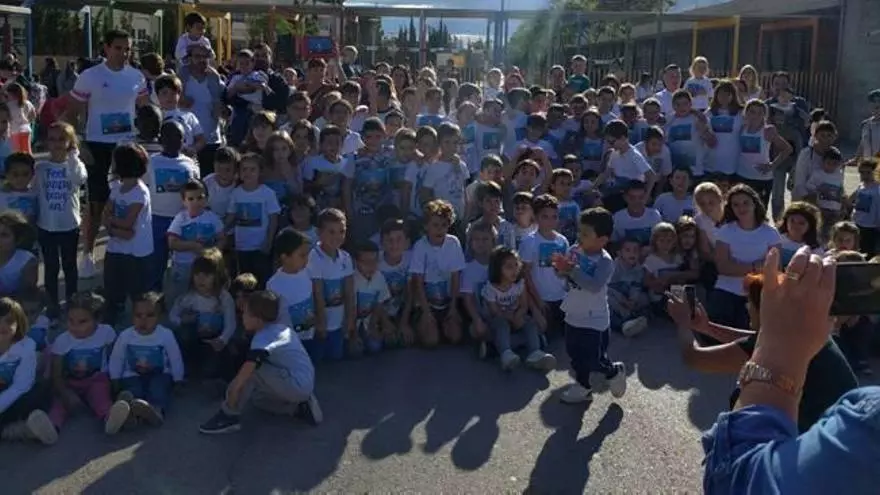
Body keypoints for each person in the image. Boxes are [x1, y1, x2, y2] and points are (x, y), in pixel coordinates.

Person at [698, 248, 880, 493]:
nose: (746, 308)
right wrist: (707, 327)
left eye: (751, 303)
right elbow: (753, 339)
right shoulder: (810, 337)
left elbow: (741, 479)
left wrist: (683, 326)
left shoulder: (869, 423)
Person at [66, 30, 149, 279]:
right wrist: (79, 145)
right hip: (97, 146)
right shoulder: (89, 76)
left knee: (131, 199)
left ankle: (129, 250)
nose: (123, 53)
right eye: (118, 48)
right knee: (96, 202)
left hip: (127, 147)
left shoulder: (136, 77)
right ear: (106, 48)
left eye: (127, 49)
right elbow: (72, 113)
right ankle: (88, 253)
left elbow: (146, 111)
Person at [199, 290, 320, 434]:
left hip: (297, 382)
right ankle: (299, 408)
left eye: (245, 313)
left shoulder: (264, 336)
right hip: (303, 379)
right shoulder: (281, 326)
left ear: (257, 318)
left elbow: (250, 367)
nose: (242, 317)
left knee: (251, 372)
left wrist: (233, 390)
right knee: (258, 400)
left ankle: (228, 416)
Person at [555, 207, 627, 404]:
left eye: (586, 234)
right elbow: (564, 277)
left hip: (595, 318)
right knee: (575, 354)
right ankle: (583, 386)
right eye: (580, 231)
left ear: (602, 240)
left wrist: (572, 270)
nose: (580, 236)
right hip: (573, 313)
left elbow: (594, 286)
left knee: (594, 359)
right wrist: (560, 269)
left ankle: (613, 371)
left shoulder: (605, 262)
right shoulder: (574, 250)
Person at [48, 291, 131, 435]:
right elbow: (56, 375)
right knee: (58, 406)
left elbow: (115, 359)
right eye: (70, 320)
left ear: (97, 320)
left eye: (82, 322)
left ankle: (110, 419)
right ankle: (51, 427)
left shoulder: (106, 333)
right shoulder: (62, 341)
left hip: (96, 380)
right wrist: (66, 393)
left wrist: (116, 384)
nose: (75, 326)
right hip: (70, 382)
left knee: (101, 397)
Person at [108, 292, 184, 426]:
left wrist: (178, 379)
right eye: (138, 316)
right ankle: (128, 411)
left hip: (159, 374)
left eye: (150, 315)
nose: (144, 320)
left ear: (159, 317)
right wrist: (115, 379)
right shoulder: (126, 336)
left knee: (158, 389)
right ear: (132, 316)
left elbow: (175, 358)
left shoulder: (165, 335)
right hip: (132, 374)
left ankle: (155, 411)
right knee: (133, 389)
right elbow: (117, 358)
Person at [34, 122, 87, 315]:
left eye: (61, 139)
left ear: (70, 142)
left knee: (70, 265)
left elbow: (79, 179)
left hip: (69, 225)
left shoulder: (75, 165)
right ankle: (52, 305)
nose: (56, 143)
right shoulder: (40, 167)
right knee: (51, 267)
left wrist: (73, 156)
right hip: (46, 225)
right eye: (52, 139)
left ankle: (72, 301)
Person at [102, 144, 153, 326]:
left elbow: (128, 224)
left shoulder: (140, 193)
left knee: (138, 293)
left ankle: (141, 325)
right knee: (112, 288)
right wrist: (116, 229)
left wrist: (114, 226)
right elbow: (105, 214)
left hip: (136, 253)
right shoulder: (117, 188)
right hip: (116, 248)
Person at [483, 246, 556, 371]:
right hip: (497, 319)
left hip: (515, 316)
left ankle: (535, 353)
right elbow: (494, 311)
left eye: (516, 265)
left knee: (529, 322)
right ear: (497, 269)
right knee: (502, 325)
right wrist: (510, 318)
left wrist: (518, 315)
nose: (514, 270)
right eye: (509, 267)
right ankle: (506, 353)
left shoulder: (519, 284)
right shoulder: (491, 288)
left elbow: (524, 305)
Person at [409, 199, 466, 347]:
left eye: (444, 225)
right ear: (426, 226)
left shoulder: (453, 243)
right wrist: (426, 312)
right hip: (427, 304)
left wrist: (453, 308)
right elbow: (418, 281)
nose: (439, 229)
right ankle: (425, 326)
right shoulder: (420, 246)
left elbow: (456, 277)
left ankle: (445, 326)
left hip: (447, 303)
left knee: (456, 337)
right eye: (435, 225)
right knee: (431, 341)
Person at [0, 297, 56, 445]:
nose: (2, 326)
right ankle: (22, 431)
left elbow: (21, 386)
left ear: (19, 323)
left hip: (14, 399)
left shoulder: (27, 346)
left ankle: (26, 428)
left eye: (9, 321)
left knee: (41, 390)